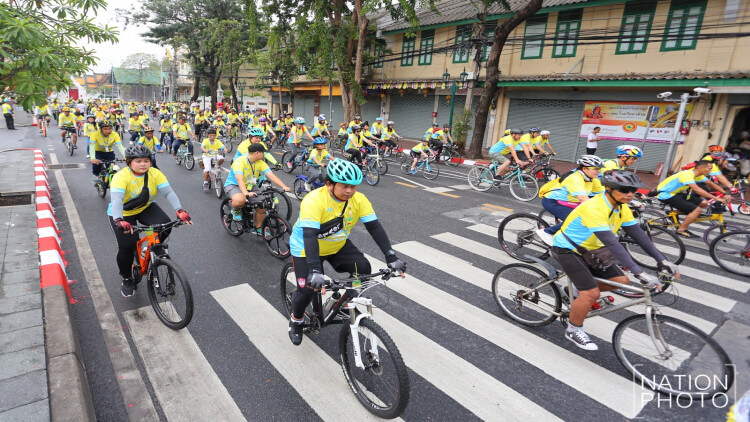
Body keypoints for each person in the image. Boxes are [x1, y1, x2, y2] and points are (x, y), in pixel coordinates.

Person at [551, 170, 679, 351]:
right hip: (568, 248)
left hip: (592, 249)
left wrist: (662, 260)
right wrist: (639, 272)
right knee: (591, 294)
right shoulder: (594, 207)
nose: (630, 194)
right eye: (624, 190)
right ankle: (573, 329)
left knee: (621, 281)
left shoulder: (621, 207)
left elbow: (638, 235)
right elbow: (611, 243)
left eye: (633, 191)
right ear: (609, 189)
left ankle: (571, 292)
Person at [287, 159, 406, 345]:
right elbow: (309, 236)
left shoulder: (359, 200)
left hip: (337, 244)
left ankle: (339, 303)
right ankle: (296, 320)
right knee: (307, 290)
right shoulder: (314, 200)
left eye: (353, 187)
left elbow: (374, 227)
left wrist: (391, 257)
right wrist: (315, 270)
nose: (349, 191)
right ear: (329, 184)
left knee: (364, 269)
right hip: (306, 248)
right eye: (344, 186)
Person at [109, 144, 192, 297]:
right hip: (123, 213)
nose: (143, 164)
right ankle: (127, 277)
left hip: (145, 207)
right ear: (129, 162)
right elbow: (117, 201)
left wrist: (180, 210)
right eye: (138, 161)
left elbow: (169, 193)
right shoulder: (121, 176)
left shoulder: (155, 173)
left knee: (165, 225)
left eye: (146, 161)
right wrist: (119, 220)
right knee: (127, 245)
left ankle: (154, 246)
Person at [537, 155, 605, 245]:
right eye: (595, 168)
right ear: (585, 169)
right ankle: (547, 232)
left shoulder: (591, 179)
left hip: (570, 202)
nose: (598, 171)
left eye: (599, 169)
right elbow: (583, 198)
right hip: (553, 202)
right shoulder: (575, 178)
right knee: (579, 220)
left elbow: (603, 193)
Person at [224, 142, 290, 231]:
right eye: (263, 152)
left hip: (250, 185)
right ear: (257, 153)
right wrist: (246, 193)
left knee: (263, 204)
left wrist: (284, 186)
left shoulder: (260, 162)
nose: (264, 154)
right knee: (240, 200)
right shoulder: (239, 161)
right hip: (234, 185)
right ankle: (235, 211)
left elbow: (271, 175)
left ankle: (258, 228)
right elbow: (240, 180)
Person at [656, 160, 726, 238]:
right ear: (701, 168)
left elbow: (710, 183)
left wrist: (725, 193)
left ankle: (673, 213)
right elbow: (697, 190)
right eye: (709, 168)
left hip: (676, 193)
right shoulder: (687, 175)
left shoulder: (698, 175)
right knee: (697, 210)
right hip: (667, 195)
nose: (711, 171)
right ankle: (681, 230)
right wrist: (716, 198)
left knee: (704, 203)